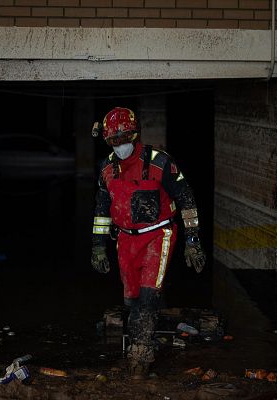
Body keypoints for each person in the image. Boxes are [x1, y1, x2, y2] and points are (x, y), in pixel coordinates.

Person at [90, 106, 206, 379]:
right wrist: (97, 246)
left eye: (124, 138)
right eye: (114, 141)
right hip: (125, 240)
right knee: (131, 299)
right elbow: (101, 209)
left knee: (148, 296)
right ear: (107, 141)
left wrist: (192, 240)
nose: (120, 146)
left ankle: (140, 358)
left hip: (158, 234)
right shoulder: (106, 168)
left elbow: (186, 198)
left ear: (135, 135)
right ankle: (142, 340)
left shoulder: (160, 162)